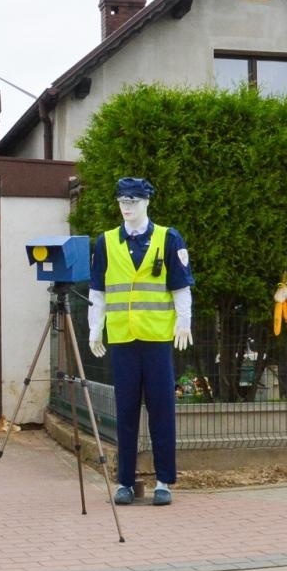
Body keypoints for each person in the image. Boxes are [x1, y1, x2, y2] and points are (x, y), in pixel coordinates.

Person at [87, 177, 194, 506]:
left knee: (162, 408)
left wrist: (184, 320)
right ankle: (125, 482)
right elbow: (98, 291)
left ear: (147, 202)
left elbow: (180, 286)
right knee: (126, 410)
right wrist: (95, 328)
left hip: (158, 338)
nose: (127, 205)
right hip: (122, 339)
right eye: (122, 199)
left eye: (134, 199)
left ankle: (164, 481)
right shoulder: (106, 242)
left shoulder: (167, 238)